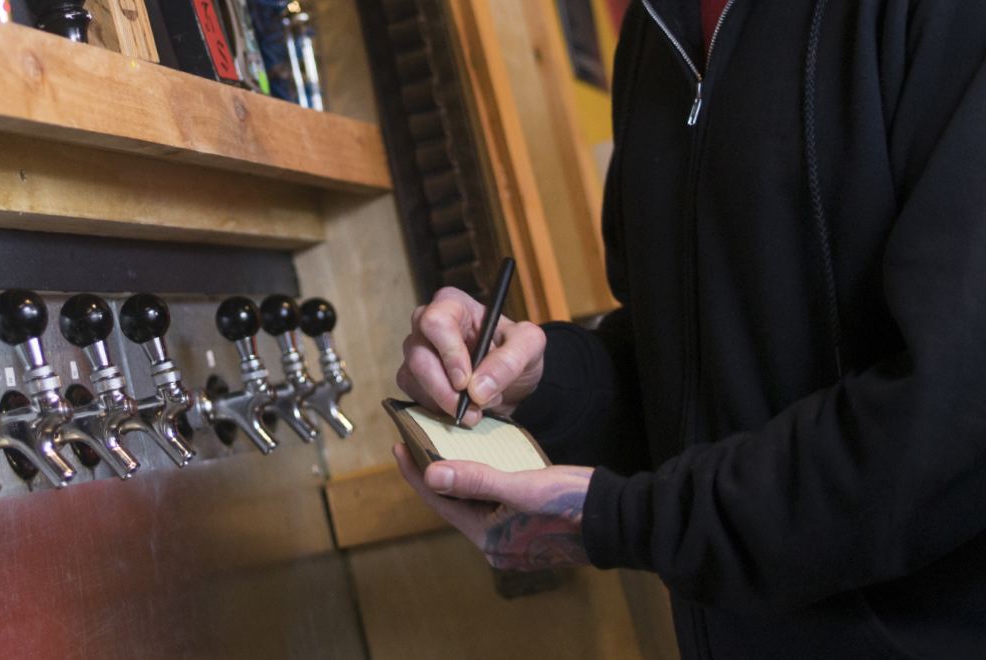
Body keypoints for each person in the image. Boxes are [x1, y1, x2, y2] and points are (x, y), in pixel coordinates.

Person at [391, 1, 986, 658]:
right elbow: (688, 369)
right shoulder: (652, 29)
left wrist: (628, 521)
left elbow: (955, 411)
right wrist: (537, 381)